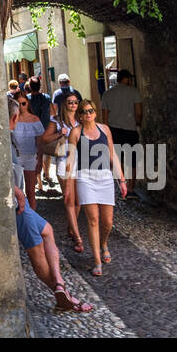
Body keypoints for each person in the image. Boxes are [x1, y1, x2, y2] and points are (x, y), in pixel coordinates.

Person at [13, 158, 93, 314]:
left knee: (47, 230)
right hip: (17, 204)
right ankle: (63, 295)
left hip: (20, 201)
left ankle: (59, 283)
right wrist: (17, 192)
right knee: (37, 253)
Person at [66, 99, 126, 276]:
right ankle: (97, 261)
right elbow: (70, 161)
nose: (88, 114)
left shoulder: (104, 129)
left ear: (95, 112)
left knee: (107, 222)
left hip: (105, 178)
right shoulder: (76, 133)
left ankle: (104, 243)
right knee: (93, 219)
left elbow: (112, 155)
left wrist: (122, 180)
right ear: (80, 115)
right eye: (84, 111)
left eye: (90, 110)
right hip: (86, 178)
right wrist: (69, 186)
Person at [101, 68, 143, 198]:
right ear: (128, 79)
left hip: (114, 130)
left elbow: (105, 116)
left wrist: (107, 132)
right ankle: (130, 188)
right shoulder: (134, 92)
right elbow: (138, 113)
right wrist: (138, 123)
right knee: (133, 160)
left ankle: (122, 186)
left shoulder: (107, 94)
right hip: (130, 130)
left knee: (118, 160)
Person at [52, 91, 84, 252]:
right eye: (70, 102)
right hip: (64, 161)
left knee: (78, 200)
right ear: (65, 104)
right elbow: (44, 139)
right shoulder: (57, 121)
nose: (73, 105)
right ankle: (77, 237)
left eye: (75, 102)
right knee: (69, 199)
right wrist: (59, 133)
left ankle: (71, 227)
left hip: (80, 162)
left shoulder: (82, 120)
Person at [9, 92, 46, 209]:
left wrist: (40, 160)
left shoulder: (35, 119)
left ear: (27, 103)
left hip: (31, 157)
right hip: (17, 157)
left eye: (23, 103)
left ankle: (32, 217)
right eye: (18, 104)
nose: (21, 106)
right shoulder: (12, 120)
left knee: (31, 190)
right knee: (17, 190)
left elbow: (40, 142)